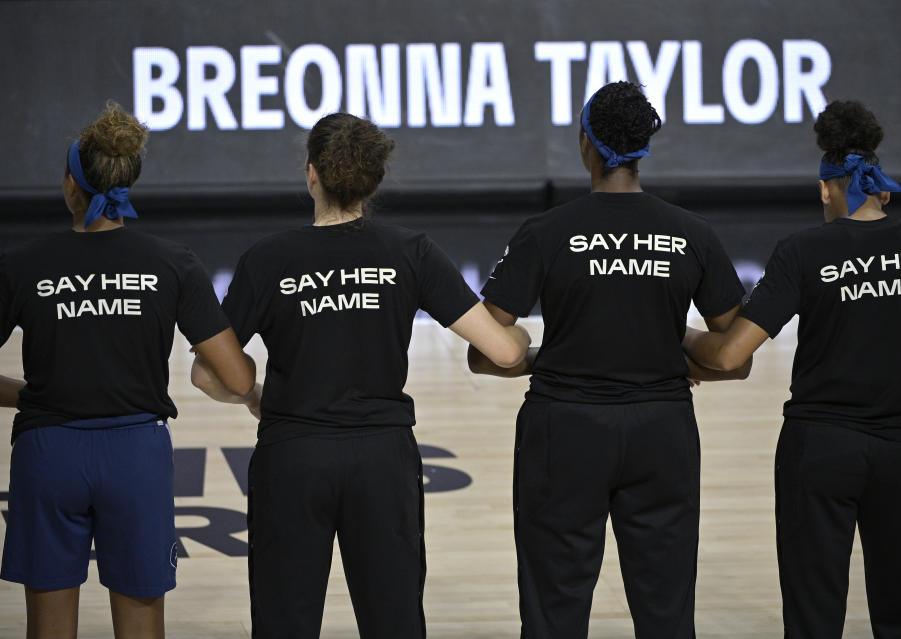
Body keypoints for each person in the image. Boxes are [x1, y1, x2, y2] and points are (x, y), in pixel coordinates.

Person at [190, 112, 531, 639]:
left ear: (312, 174)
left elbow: (209, 377)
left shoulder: (267, 259)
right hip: (382, 460)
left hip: (292, 458)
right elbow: (505, 353)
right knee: (393, 622)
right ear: (373, 182)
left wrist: (252, 393)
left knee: (284, 624)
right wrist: (523, 338)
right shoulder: (410, 252)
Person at [467, 81, 750, 639]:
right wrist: (678, 343)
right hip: (662, 430)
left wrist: (538, 356)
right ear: (644, 147)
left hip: (564, 431)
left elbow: (486, 348)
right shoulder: (692, 233)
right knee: (666, 610)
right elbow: (733, 355)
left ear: (585, 145)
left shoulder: (544, 232)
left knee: (554, 610)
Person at [683, 99, 901, 638]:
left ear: (826, 187)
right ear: (880, 187)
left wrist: (669, 331)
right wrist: (900, 351)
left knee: (814, 617)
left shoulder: (801, 251)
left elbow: (729, 354)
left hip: (820, 451)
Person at [0, 102, 255, 639]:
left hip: (48, 452)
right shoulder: (172, 262)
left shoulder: (22, 265)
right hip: (136, 455)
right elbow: (235, 379)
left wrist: (24, 395)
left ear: (71, 184)